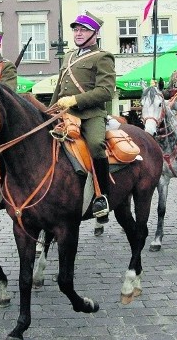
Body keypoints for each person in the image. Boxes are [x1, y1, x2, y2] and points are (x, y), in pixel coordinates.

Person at [49, 12, 115, 223]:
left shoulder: (102, 57)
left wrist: (75, 100)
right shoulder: (68, 56)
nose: (78, 33)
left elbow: (105, 91)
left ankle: (101, 196)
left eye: (84, 30)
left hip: (90, 114)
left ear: (95, 33)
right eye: (76, 29)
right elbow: (59, 89)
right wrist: (48, 111)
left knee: (96, 144)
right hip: (63, 113)